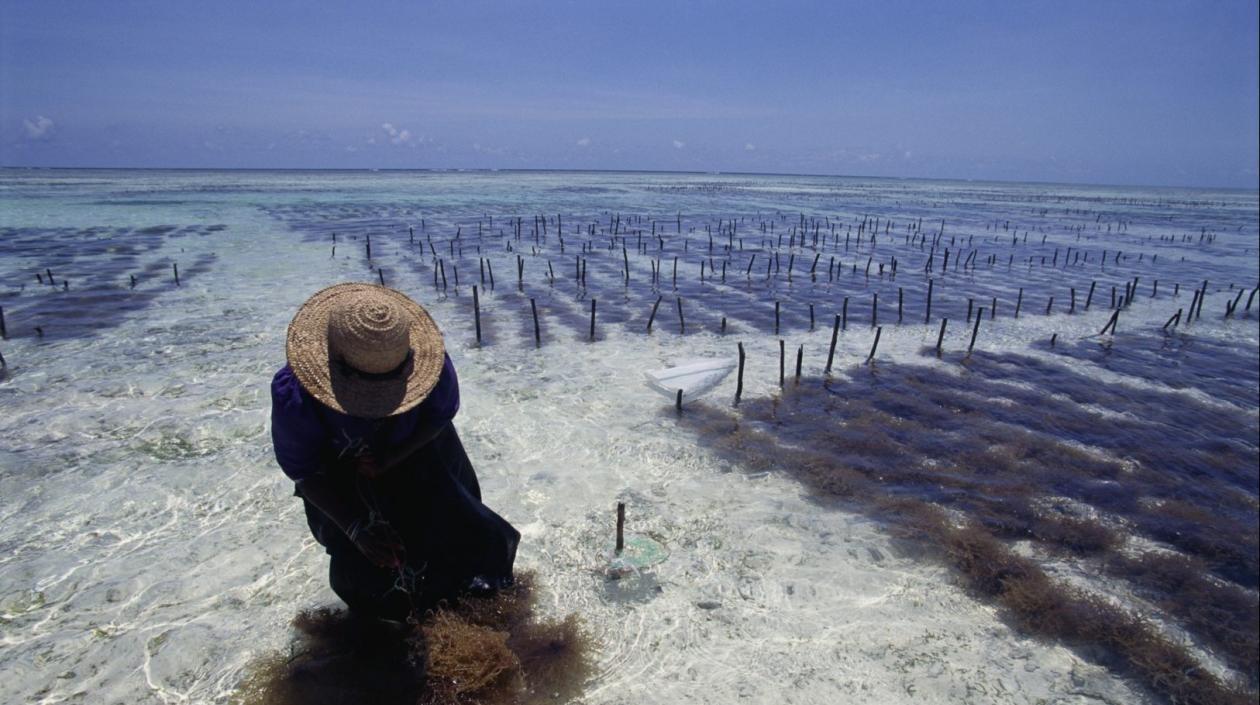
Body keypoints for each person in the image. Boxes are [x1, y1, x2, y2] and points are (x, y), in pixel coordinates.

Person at [270, 282, 519, 621]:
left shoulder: (429, 362)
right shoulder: (297, 397)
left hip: (421, 451)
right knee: (367, 572)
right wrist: (355, 528)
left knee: (462, 536)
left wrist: (392, 457)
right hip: (342, 473)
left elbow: (438, 418)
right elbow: (305, 471)